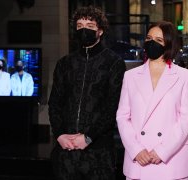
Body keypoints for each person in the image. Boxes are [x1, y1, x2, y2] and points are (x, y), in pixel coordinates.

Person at [48, 6, 126, 180]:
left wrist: (88, 137)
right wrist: (59, 134)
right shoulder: (65, 63)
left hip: (99, 152)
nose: (84, 29)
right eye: (80, 25)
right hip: (65, 151)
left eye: (90, 26)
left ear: (100, 31)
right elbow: (55, 102)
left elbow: (112, 106)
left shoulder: (114, 63)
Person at [116, 21, 188, 180]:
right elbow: (122, 116)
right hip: (139, 160)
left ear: (169, 44)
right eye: (149, 38)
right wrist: (136, 149)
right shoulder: (130, 76)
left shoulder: (184, 76)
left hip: (172, 161)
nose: (152, 43)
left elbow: (186, 119)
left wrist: (163, 150)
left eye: (159, 40)